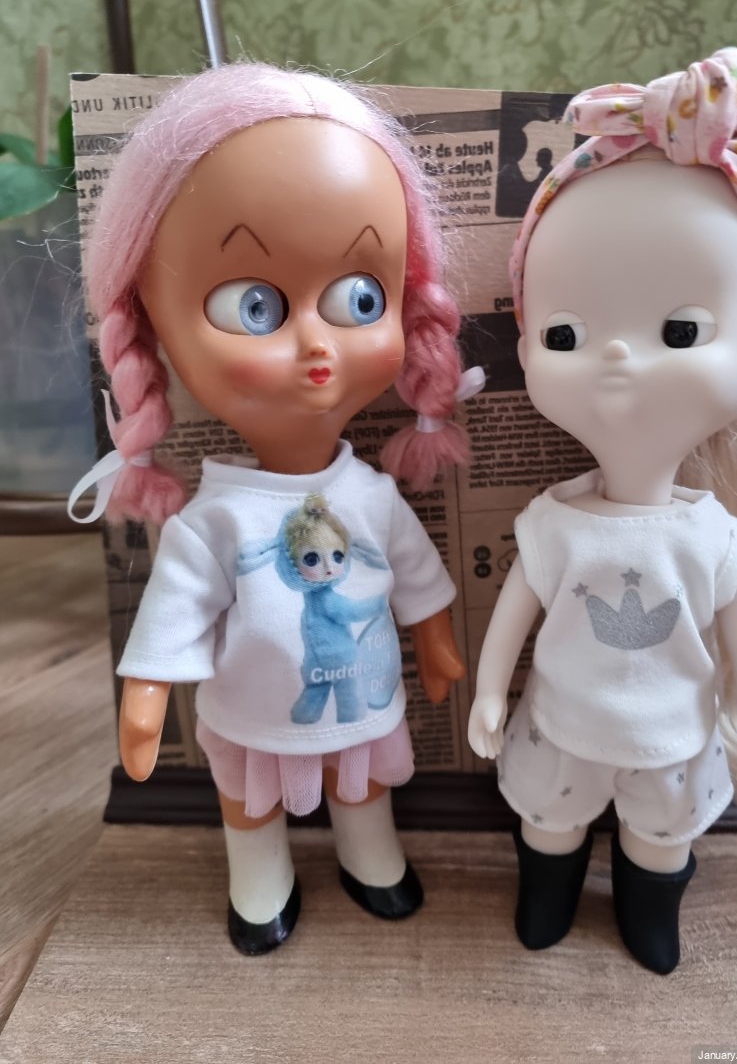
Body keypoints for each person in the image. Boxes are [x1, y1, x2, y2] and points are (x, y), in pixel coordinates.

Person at [71, 62, 480, 955]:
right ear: (155, 324)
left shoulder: (372, 496)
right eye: (254, 306)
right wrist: (145, 698)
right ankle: (259, 876)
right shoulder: (215, 521)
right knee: (249, 797)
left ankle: (370, 854)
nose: (318, 346)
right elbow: (176, 611)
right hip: (253, 704)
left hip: (362, 692)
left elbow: (415, 575)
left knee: (362, 781)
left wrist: (436, 640)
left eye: (360, 299)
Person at [468, 47, 737, 974]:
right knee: (549, 824)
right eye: (565, 334)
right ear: (527, 346)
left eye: (679, 330)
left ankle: (648, 913)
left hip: (675, 733)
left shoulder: (711, 533)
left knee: (661, 837)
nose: (618, 358)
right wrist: (488, 690)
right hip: (559, 724)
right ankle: (546, 897)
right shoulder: (554, 523)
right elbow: (516, 611)